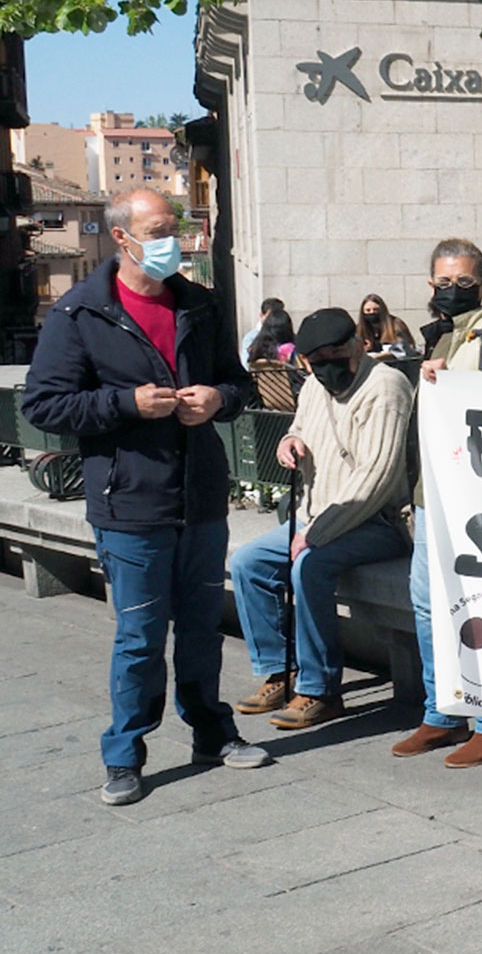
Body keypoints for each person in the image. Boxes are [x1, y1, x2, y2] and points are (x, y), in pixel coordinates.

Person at [21, 188, 267, 805]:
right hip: (129, 503)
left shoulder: (200, 305)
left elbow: (240, 385)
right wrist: (125, 404)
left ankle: (212, 731)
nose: (172, 242)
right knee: (139, 637)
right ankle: (125, 755)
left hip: (201, 495)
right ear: (122, 237)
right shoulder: (78, 314)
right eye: (158, 230)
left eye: (175, 228)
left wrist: (219, 399)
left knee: (203, 629)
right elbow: (43, 404)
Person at [390, 237, 482, 767]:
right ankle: (441, 711)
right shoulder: (436, 336)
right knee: (428, 602)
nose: (453, 290)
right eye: (444, 282)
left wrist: (459, 384)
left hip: (478, 498)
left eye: (464, 282)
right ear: (430, 284)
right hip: (432, 493)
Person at [230, 309, 414, 731]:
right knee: (248, 564)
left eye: (337, 356)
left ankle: (320, 689)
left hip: (376, 522)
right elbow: (301, 425)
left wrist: (316, 534)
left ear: (358, 345)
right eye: (318, 361)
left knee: (308, 568)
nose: (329, 368)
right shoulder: (314, 385)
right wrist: (291, 440)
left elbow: (377, 476)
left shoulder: (386, 387)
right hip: (317, 515)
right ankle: (282, 672)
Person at [240, 296, 285, 362]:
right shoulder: (251, 337)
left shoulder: (285, 335)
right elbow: (246, 363)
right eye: (269, 317)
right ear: (262, 316)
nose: (273, 320)